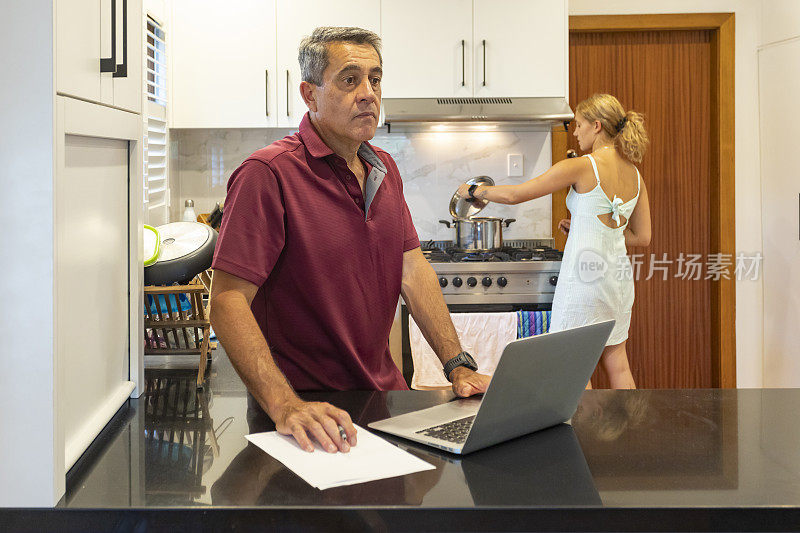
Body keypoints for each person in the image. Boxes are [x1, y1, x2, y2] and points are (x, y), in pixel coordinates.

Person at [209, 27, 490, 455]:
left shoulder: (386, 170)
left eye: (375, 80)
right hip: (306, 415)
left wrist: (457, 364)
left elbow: (413, 272)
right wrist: (286, 405)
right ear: (309, 94)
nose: (368, 93)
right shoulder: (267, 174)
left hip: (384, 400)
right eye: (349, 79)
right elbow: (227, 302)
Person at [458, 93, 651, 389]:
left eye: (579, 125)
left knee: (572, 367)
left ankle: (579, 434)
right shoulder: (635, 175)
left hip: (584, 281)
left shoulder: (582, 166)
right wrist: (584, 226)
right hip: (618, 281)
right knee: (618, 363)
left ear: (596, 126)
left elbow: (515, 195)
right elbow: (642, 237)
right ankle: (630, 434)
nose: (575, 132)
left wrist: (475, 190)